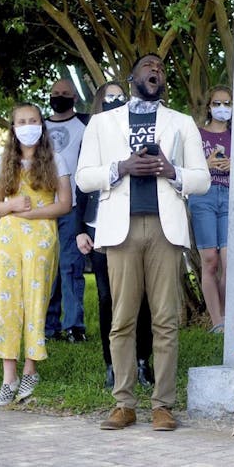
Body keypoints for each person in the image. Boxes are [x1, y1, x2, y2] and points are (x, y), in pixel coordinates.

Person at [77, 54, 210, 431]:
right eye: (149, 65)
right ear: (132, 75)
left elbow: (201, 178)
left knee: (166, 319)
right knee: (122, 318)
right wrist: (122, 168)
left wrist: (172, 171)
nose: (156, 69)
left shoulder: (180, 123)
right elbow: (85, 177)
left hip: (165, 229)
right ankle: (124, 403)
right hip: (121, 229)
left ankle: (163, 405)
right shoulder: (103, 123)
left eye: (162, 67)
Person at [0, 103, 72, 406]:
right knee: (7, 301)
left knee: (35, 299)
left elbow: (65, 204)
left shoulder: (56, 160)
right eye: (22, 121)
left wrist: (34, 212)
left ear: (42, 124)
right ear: (13, 128)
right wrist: (12, 207)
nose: (28, 126)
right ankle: (7, 377)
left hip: (40, 237)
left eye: (33, 120)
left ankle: (30, 369)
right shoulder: (3, 162)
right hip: (9, 238)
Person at [75, 82, 154, 389]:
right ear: (99, 101)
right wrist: (81, 228)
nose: (115, 100)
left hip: (134, 222)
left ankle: (143, 361)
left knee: (143, 297)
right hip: (99, 227)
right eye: (108, 96)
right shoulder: (92, 133)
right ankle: (112, 365)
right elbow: (83, 182)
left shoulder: (137, 131)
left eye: (120, 96)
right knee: (108, 298)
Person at [45, 78, 89, 342]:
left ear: (74, 98)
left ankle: (74, 326)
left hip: (72, 205)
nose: (59, 97)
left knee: (70, 266)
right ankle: (48, 328)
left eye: (65, 93)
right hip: (43, 207)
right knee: (47, 267)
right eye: (55, 93)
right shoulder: (38, 126)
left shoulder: (86, 124)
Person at [188, 85, 234, 333]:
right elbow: (186, 168)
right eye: (217, 103)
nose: (222, 108)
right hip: (203, 196)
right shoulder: (197, 135)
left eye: (227, 103)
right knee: (210, 261)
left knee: (229, 261)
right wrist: (206, 163)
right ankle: (217, 322)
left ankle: (228, 316)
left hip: (230, 197)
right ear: (208, 106)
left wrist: (233, 166)